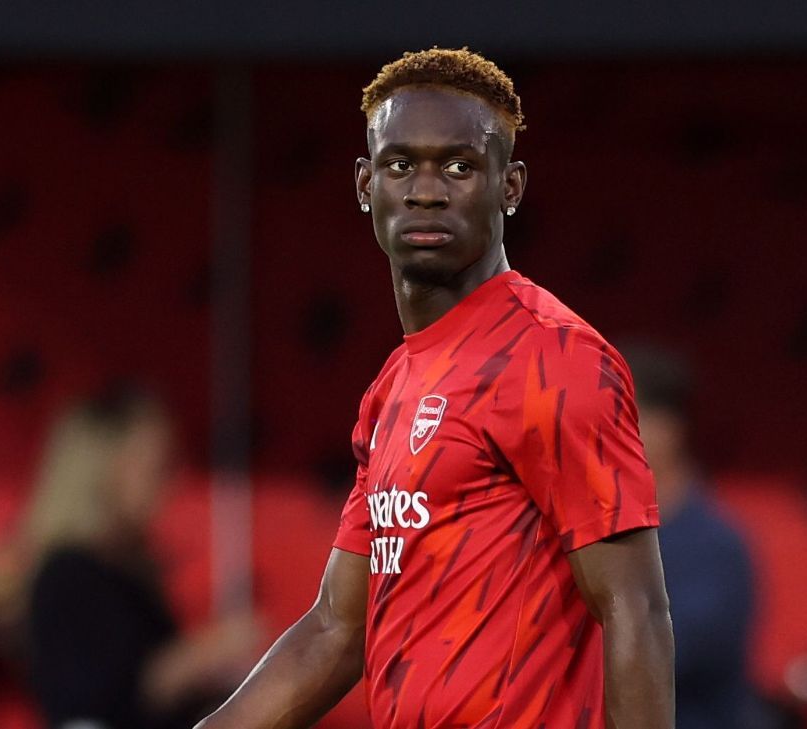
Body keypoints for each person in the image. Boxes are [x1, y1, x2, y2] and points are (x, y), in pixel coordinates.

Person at [199, 48, 674, 729]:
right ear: (366, 184)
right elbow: (337, 626)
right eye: (400, 165)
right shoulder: (394, 385)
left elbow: (637, 608)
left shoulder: (554, 357)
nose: (426, 189)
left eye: (459, 165)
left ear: (509, 186)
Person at [25, 386, 258, 729]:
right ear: (103, 471)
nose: (170, 483)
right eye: (157, 468)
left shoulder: (127, 573)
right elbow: (96, 700)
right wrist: (200, 657)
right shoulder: (66, 576)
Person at [620, 346, 764, 729]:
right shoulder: (589, 533)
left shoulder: (714, 548)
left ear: (667, 428)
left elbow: (660, 656)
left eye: (619, 417)